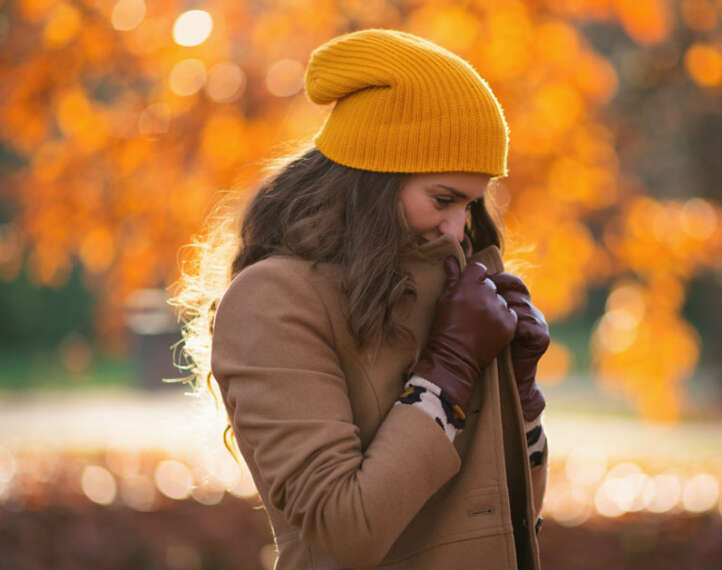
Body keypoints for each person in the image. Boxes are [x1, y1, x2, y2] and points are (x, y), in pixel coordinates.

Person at [173, 28, 550, 569]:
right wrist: (449, 371)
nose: (456, 228)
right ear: (370, 180)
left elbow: (509, 525)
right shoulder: (272, 301)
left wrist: (523, 396)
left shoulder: (454, 298)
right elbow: (343, 530)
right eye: (442, 198)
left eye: (469, 203)